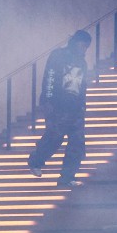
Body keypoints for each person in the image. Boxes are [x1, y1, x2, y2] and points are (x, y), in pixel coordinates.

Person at [28, 29, 91, 187]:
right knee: (54, 137)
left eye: (86, 47)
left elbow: (83, 86)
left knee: (77, 143)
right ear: (75, 42)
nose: (83, 49)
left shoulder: (83, 63)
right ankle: (36, 161)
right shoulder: (58, 56)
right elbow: (49, 77)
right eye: (82, 45)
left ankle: (67, 177)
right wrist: (48, 100)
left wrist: (83, 105)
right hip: (57, 106)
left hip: (75, 109)